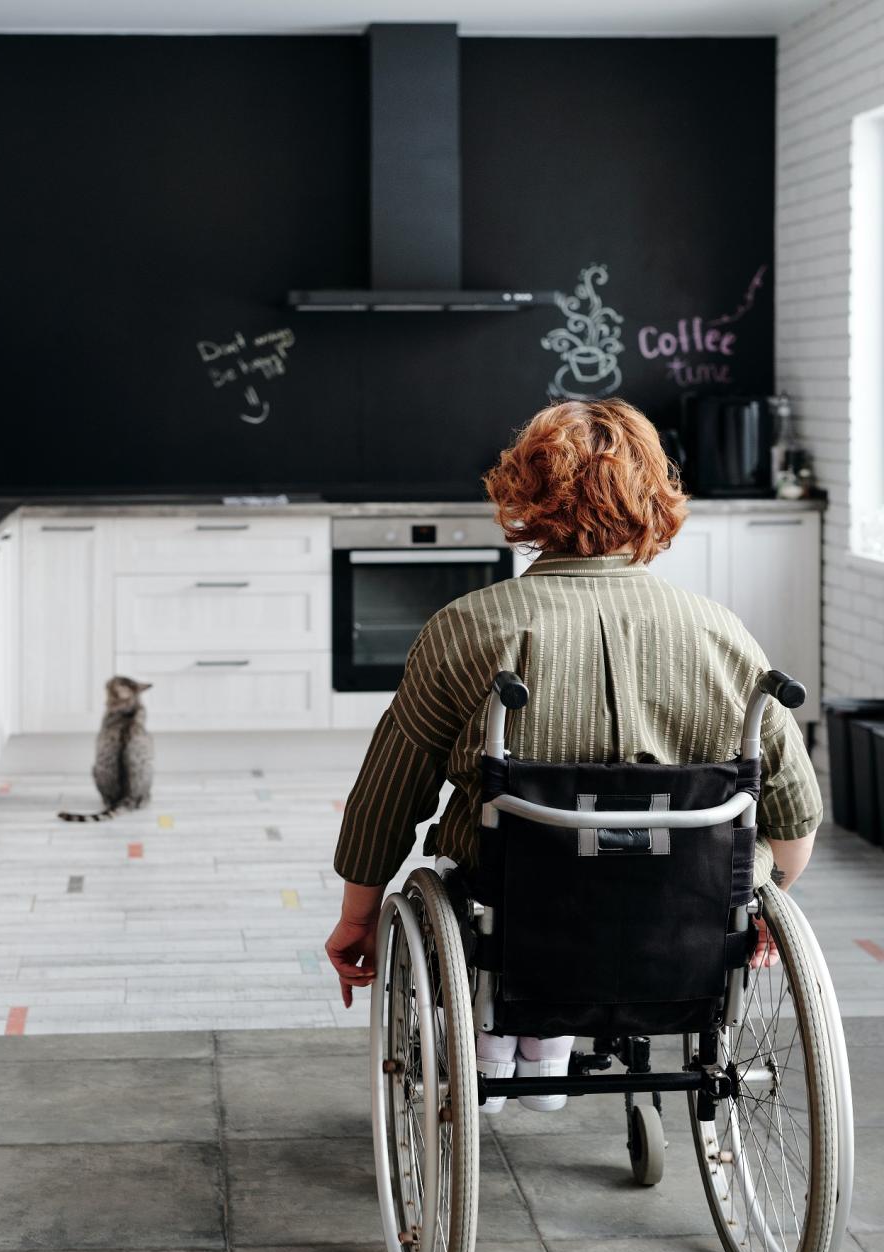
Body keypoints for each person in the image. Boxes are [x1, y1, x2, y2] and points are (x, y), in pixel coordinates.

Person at [325, 399, 822, 1112]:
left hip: (517, 911)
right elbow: (793, 815)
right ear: (656, 496)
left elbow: (388, 796)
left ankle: (498, 1043)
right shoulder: (723, 633)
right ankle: (553, 1038)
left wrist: (356, 915)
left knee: (498, 869)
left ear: (523, 494)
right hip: (682, 916)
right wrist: (766, 893)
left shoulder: (466, 627)